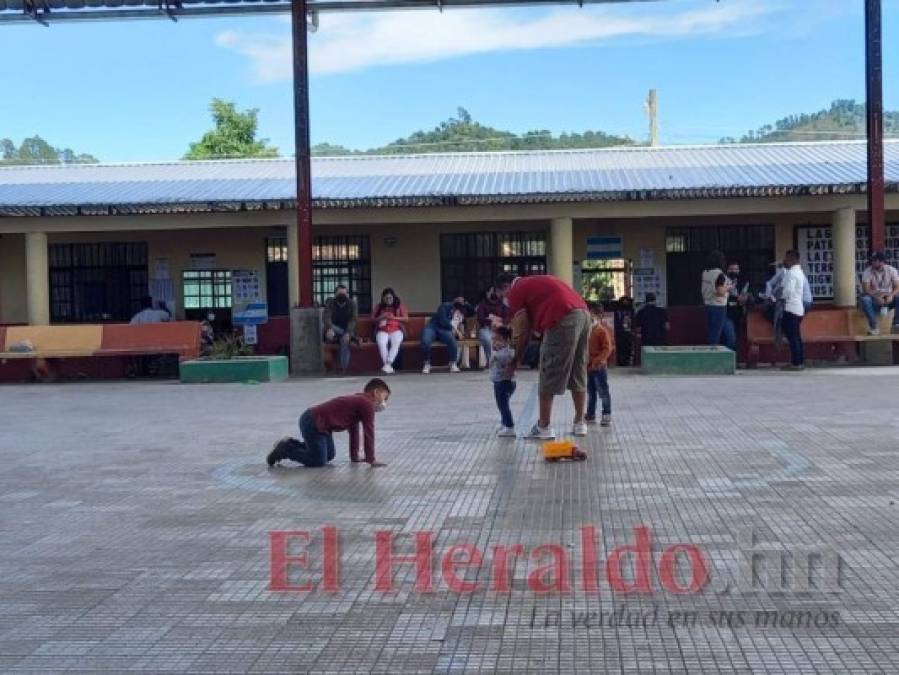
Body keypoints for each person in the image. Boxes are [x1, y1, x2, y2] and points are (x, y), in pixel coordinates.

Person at [495, 273, 590, 440]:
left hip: (562, 317)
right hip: (583, 315)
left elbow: (524, 331)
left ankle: (544, 426)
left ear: (505, 287)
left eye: (502, 295)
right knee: (577, 369)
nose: (505, 300)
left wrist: (515, 361)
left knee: (548, 369)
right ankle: (579, 423)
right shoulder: (533, 283)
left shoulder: (516, 291)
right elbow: (529, 326)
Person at [266, 378, 390, 468]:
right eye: (384, 398)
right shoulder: (366, 403)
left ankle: (290, 443)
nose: (384, 402)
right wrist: (371, 459)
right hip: (313, 421)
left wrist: (354, 456)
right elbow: (369, 431)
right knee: (318, 460)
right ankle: (285, 450)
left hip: (321, 425)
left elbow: (354, 430)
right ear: (376, 392)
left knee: (329, 455)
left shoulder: (361, 401)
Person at [421, 297, 471, 374]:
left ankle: (453, 363)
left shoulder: (461, 313)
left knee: (451, 340)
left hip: (445, 330)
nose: (461, 302)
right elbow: (443, 321)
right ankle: (427, 364)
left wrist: (461, 333)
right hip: (433, 327)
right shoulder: (445, 306)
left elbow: (470, 313)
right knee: (425, 340)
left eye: (462, 302)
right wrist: (456, 331)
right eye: (459, 300)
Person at [585, 302, 613, 427]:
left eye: (593, 314)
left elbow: (607, 349)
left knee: (603, 391)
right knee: (591, 392)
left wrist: (597, 360)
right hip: (588, 367)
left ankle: (606, 414)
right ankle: (590, 414)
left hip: (599, 366)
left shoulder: (601, 330)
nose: (590, 316)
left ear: (599, 315)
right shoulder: (587, 330)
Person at [701, 250, 736, 350]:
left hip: (707, 305)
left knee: (712, 331)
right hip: (718, 306)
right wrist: (729, 287)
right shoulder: (719, 274)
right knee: (715, 334)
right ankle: (713, 357)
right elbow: (720, 291)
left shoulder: (705, 272)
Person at [859, 251, 899, 335]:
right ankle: (874, 327)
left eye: (875, 260)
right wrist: (876, 297)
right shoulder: (867, 271)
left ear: (881, 262)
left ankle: (896, 324)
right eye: (872, 260)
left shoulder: (891, 270)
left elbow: (897, 287)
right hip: (875, 300)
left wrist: (891, 295)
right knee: (865, 299)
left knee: (898, 297)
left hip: (888, 298)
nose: (872, 262)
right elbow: (866, 289)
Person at [780, 249, 807, 371]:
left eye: (786, 258)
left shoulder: (791, 273)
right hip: (798, 308)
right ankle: (799, 361)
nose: (784, 260)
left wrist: (779, 297)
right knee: (796, 336)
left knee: (793, 337)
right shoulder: (799, 272)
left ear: (791, 259)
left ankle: (796, 363)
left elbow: (787, 291)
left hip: (791, 307)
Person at [372, 288, 408, 374]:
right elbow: (372, 319)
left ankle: (388, 364)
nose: (388, 300)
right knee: (381, 343)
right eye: (386, 298)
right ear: (383, 298)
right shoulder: (379, 307)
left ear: (393, 298)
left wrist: (394, 317)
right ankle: (388, 366)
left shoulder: (399, 306)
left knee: (396, 342)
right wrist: (382, 316)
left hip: (396, 328)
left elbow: (406, 319)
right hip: (382, 329)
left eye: (390, 298)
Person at [323, 285, 358, 374]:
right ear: (335, 294)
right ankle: (350, 338)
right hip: (333, 330)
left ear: (347, 294)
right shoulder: (330, 303)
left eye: (344, 293)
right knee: (331, 335)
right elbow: (326, 318)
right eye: (340, 293)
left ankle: (343, 369)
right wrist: (330, 328)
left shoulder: (352, 304)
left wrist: (348, 332)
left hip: (347, 330)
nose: (342, 295)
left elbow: (353, 319)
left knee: (344, 340)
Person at [490, 326, 517, 437]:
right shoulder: (501, 351)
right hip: (500, 382)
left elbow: (498, 360)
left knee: (503, 405)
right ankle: (504, 423)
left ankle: (509, 426)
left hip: (504, 383)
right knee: (502, 404)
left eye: (499, 340)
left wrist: (495, 353)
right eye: (494, 340)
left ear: (507, 341)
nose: (495, 343)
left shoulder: (505, 353)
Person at [476, 286, 509, 362]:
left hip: (499, 328)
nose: (493, 293)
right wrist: (491, 322)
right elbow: (480, 318)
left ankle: (503, 361)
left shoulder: (502, 305)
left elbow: (507, 317)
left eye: (495, 291)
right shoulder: (482, 304)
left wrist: (500, 321)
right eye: (491, 291)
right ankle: (491, 361)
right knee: (487, 339)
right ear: (487, 293)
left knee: (504, 337)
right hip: (486, 329)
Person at [613, 296, 635, 366]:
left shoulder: (631, 310)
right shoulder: (617, 311)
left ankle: (627, 361)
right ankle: (621, 362)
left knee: (628, 347)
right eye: (624, 301)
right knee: (620, 347)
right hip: (619, 332)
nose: (625, 302)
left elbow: (633, 321)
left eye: (626, 301)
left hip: (628, 332)